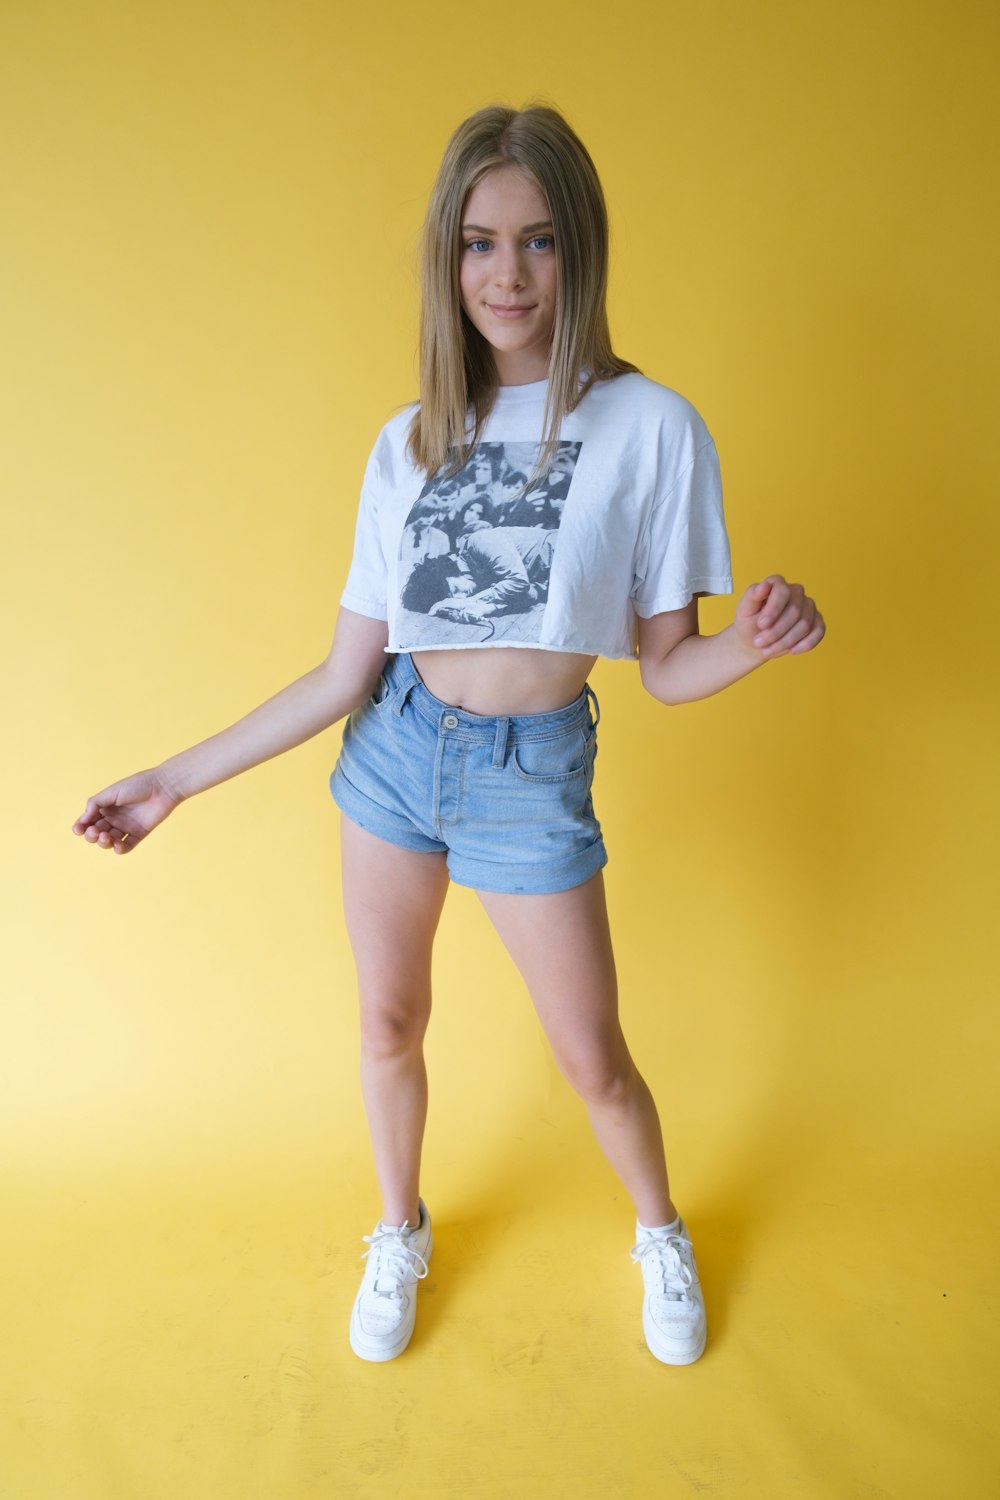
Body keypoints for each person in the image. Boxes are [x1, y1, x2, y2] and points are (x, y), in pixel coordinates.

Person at [72, 103, 825, 1368]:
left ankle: (658, 1229)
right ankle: (399, 1224)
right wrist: (172, 783)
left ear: (579, 252)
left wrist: (755, 637)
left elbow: (667, 664)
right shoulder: (408, 440)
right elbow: (343, 673)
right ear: (447, 258)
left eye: (537, 242)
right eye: (479, 243)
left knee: (592, 1060)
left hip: (532, 778)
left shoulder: (651, 429)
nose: (507, 275)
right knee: (386, 1024)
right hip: (396, 752)